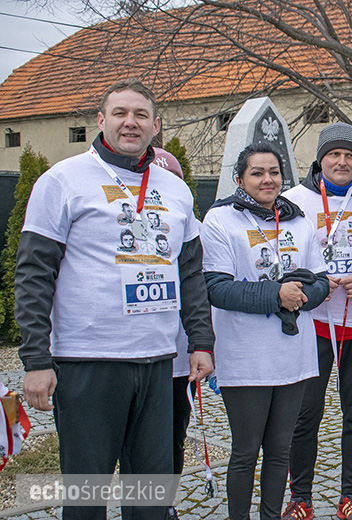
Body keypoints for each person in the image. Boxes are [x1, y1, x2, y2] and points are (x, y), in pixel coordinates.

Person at [16, 78, 214, 520]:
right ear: (100, 120)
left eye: (141, 115)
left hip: (158, 362)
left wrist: (202, 341)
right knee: (87, 496)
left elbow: (190, 274)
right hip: (89, 361)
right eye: (120, 113)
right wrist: (36, 359)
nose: (130, 122)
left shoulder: (175, 189)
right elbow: (34, 274)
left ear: (156, 126)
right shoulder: (62, 180)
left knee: (150, 497)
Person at [201, 143, 330, 520]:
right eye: (257, 173)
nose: (267, 179)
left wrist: (300, 295)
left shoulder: (299, 222)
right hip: (245, 357)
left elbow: (321, 281)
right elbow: (217, 288)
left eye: (274, 172)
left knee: (280, 451)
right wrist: (277, 295)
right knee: (245, 452)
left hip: (293, 356)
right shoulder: (221, 219)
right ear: (240, 179)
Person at [283, 122, 352, 520]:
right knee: (305, 415)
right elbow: (283, 256)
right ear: (320, 159)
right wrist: (313, 283)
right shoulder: (293, 200)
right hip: (314, 325)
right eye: (334, 154)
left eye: (350, 155)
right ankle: (300, 498)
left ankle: (351, 496)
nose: (342, 162)